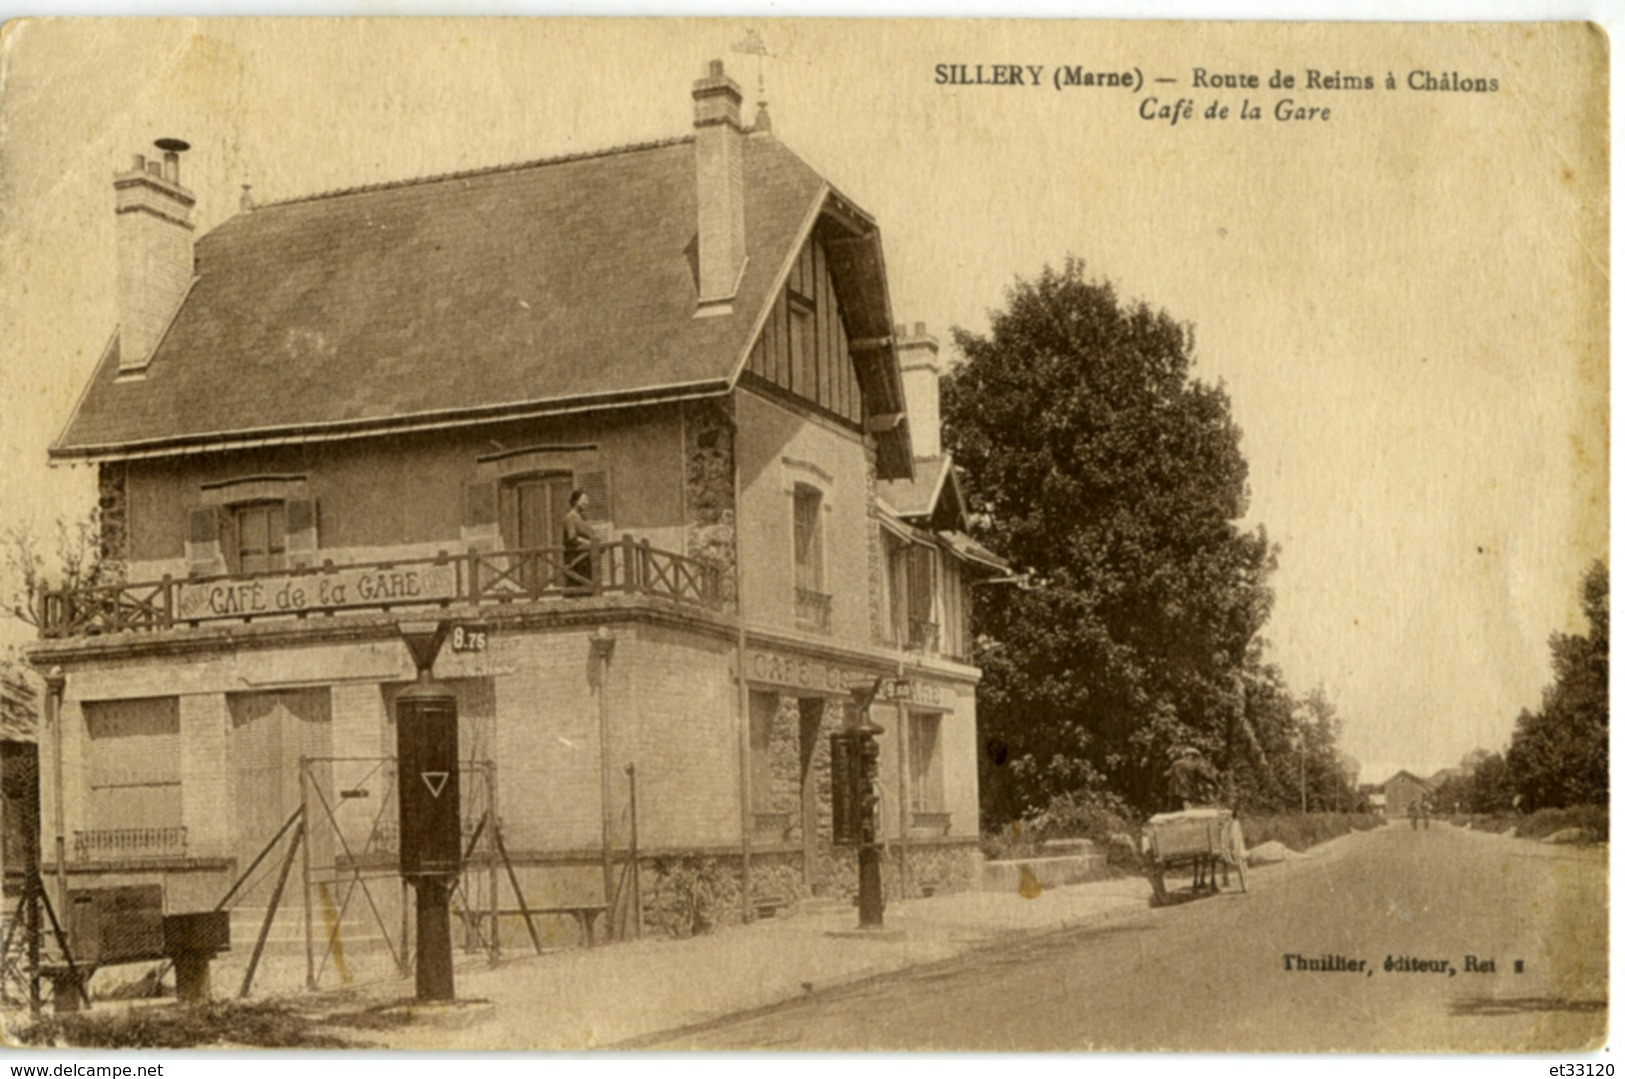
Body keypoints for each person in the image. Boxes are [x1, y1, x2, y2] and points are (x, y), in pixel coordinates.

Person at [562, 489, 593, 594]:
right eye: (584, 499)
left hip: (586, 560)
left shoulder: (583, 518)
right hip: (575, 561)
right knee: (577, 591)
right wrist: (589, 544)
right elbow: (572, 538)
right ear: (576, 501)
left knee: (589, 591)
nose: (587, 503)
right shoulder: (570, 517)